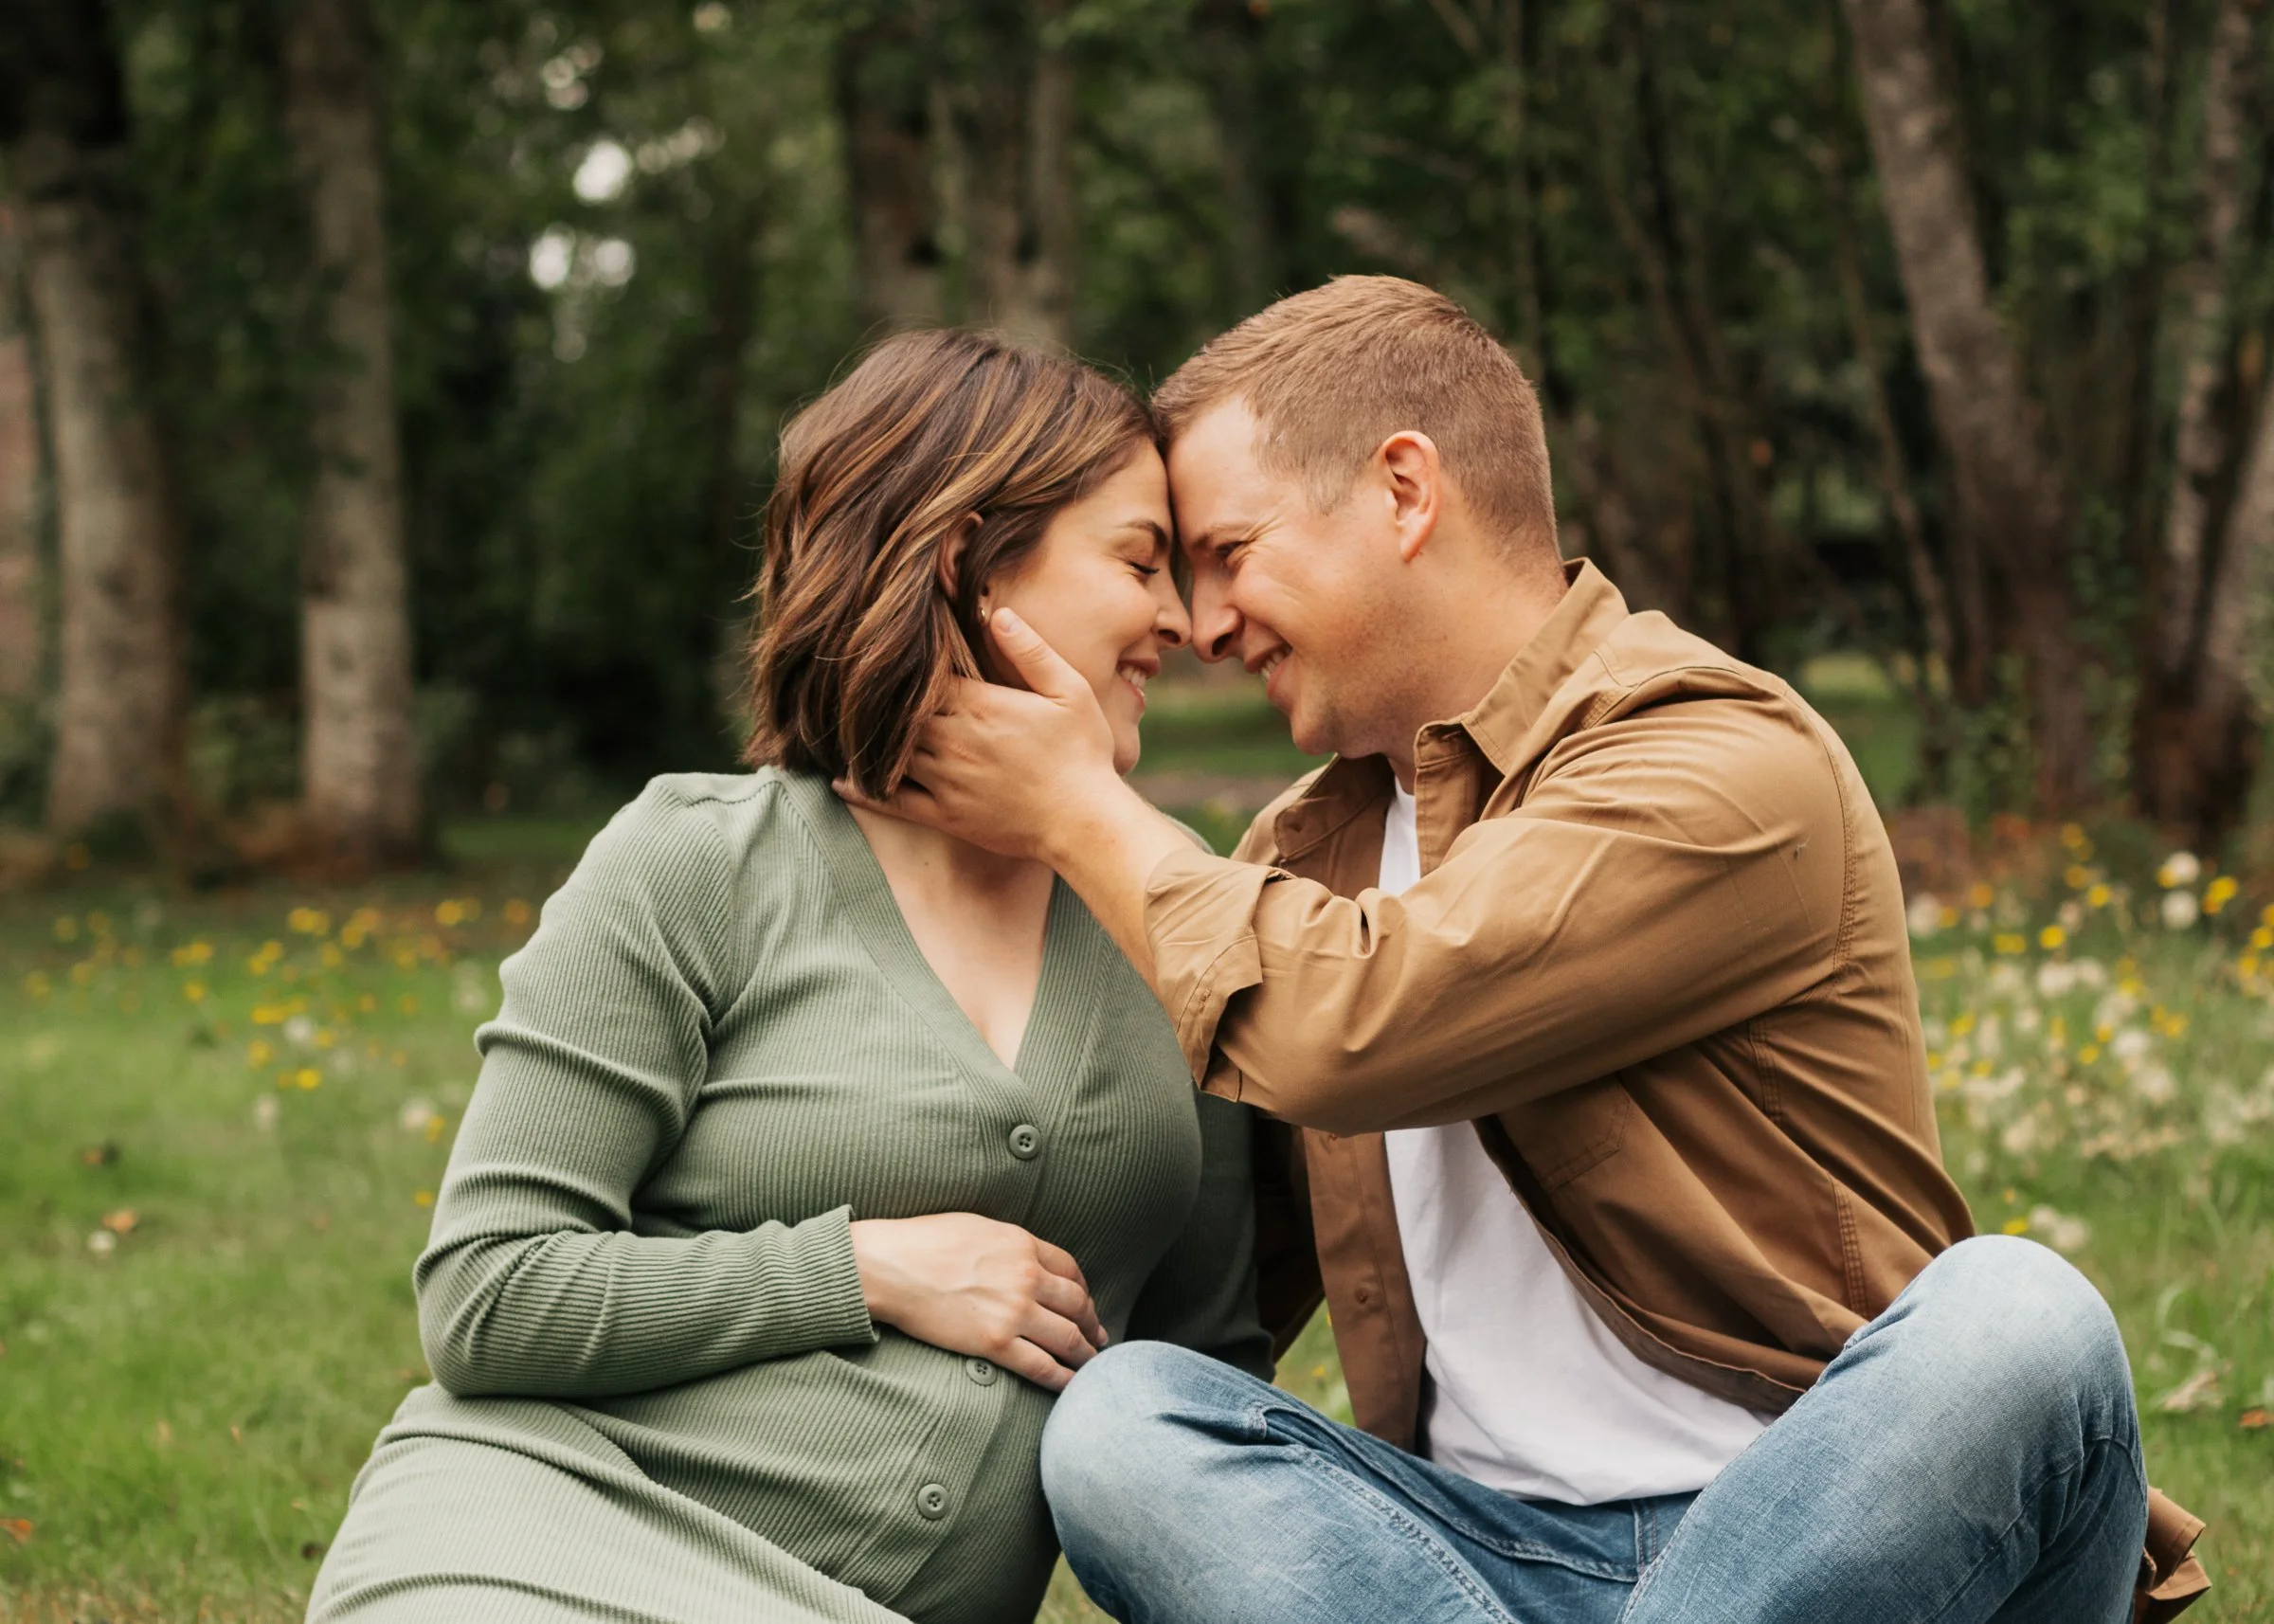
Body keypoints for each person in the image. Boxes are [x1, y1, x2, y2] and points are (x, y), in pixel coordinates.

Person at [842, 278, 2211, 1624]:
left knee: (2019, 1321)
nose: (1201, 625)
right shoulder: (1302, 856)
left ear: (1403, 491)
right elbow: (1177, 1262)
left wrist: (1084, 810)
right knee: (1128, 1421)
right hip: (1474, 1568)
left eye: (1231, 552)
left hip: (1830, 1525)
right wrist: (835, 1261)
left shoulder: (1721, 757)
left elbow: (1360, 1017)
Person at [306, 330, 1271, 1624]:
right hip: (541, 1539)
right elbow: (490, 1290)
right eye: (1140, 563)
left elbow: (1202, 1379)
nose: (1183, 622)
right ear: (965, 561)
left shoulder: (1163, 903)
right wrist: (859, 1267)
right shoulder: (697, 861)